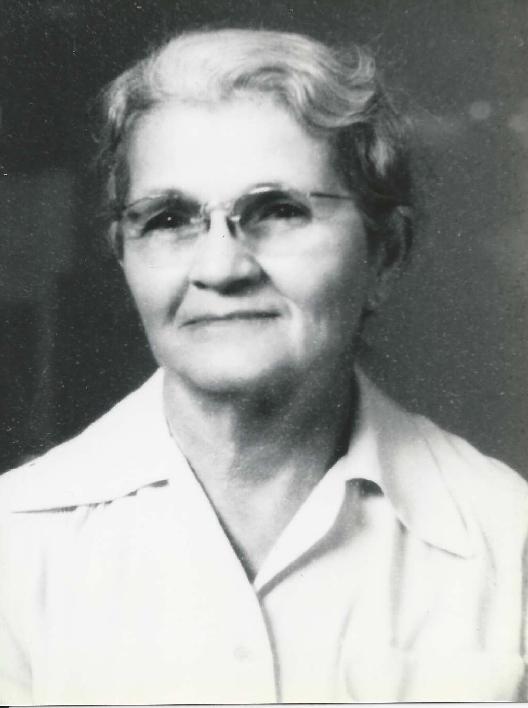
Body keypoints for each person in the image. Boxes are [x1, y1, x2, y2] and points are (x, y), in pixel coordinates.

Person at [0, 27, 526, 705]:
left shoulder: (507, 539)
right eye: (168, 219)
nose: (221, 268)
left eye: (278, 210)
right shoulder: (14, 544)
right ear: (123, 254)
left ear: (385, 253)